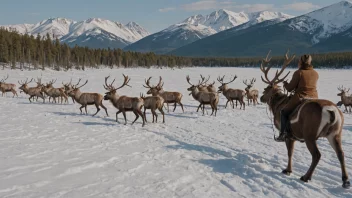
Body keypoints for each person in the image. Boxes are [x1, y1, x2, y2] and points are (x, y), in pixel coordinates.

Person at [276, 54, 319, 142]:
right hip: (314, 97)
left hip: (301, 97)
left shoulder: (298, 73)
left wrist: (285, 84)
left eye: (299, 61)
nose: (298, 63)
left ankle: (283, 134)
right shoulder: (315, 73)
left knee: (284, 112)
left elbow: (289, 88)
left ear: (301, 62)